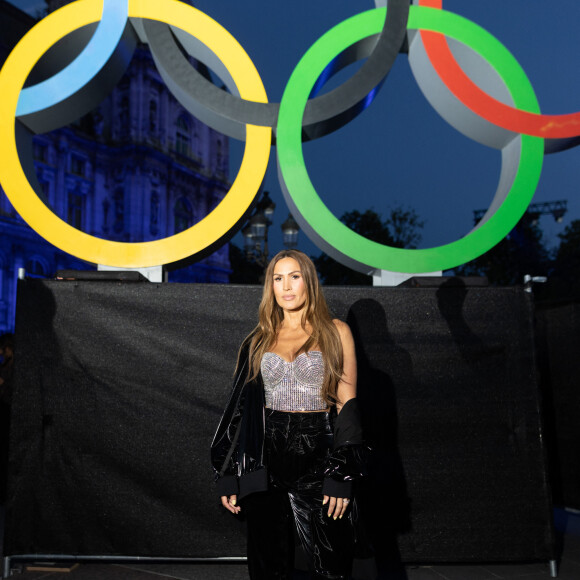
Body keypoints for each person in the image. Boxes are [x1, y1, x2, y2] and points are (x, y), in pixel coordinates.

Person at [211, 250, 368, 579]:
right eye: (277, 278)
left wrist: (342, 473)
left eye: (294, 276)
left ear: (308, 280)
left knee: (332, 565)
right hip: (267, 463)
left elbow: (347, 405)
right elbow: (239, 413)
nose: (286, 286)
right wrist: (227, 472)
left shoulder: (335, 331)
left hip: (319, 458)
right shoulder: (258, 340)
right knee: (268, 566)